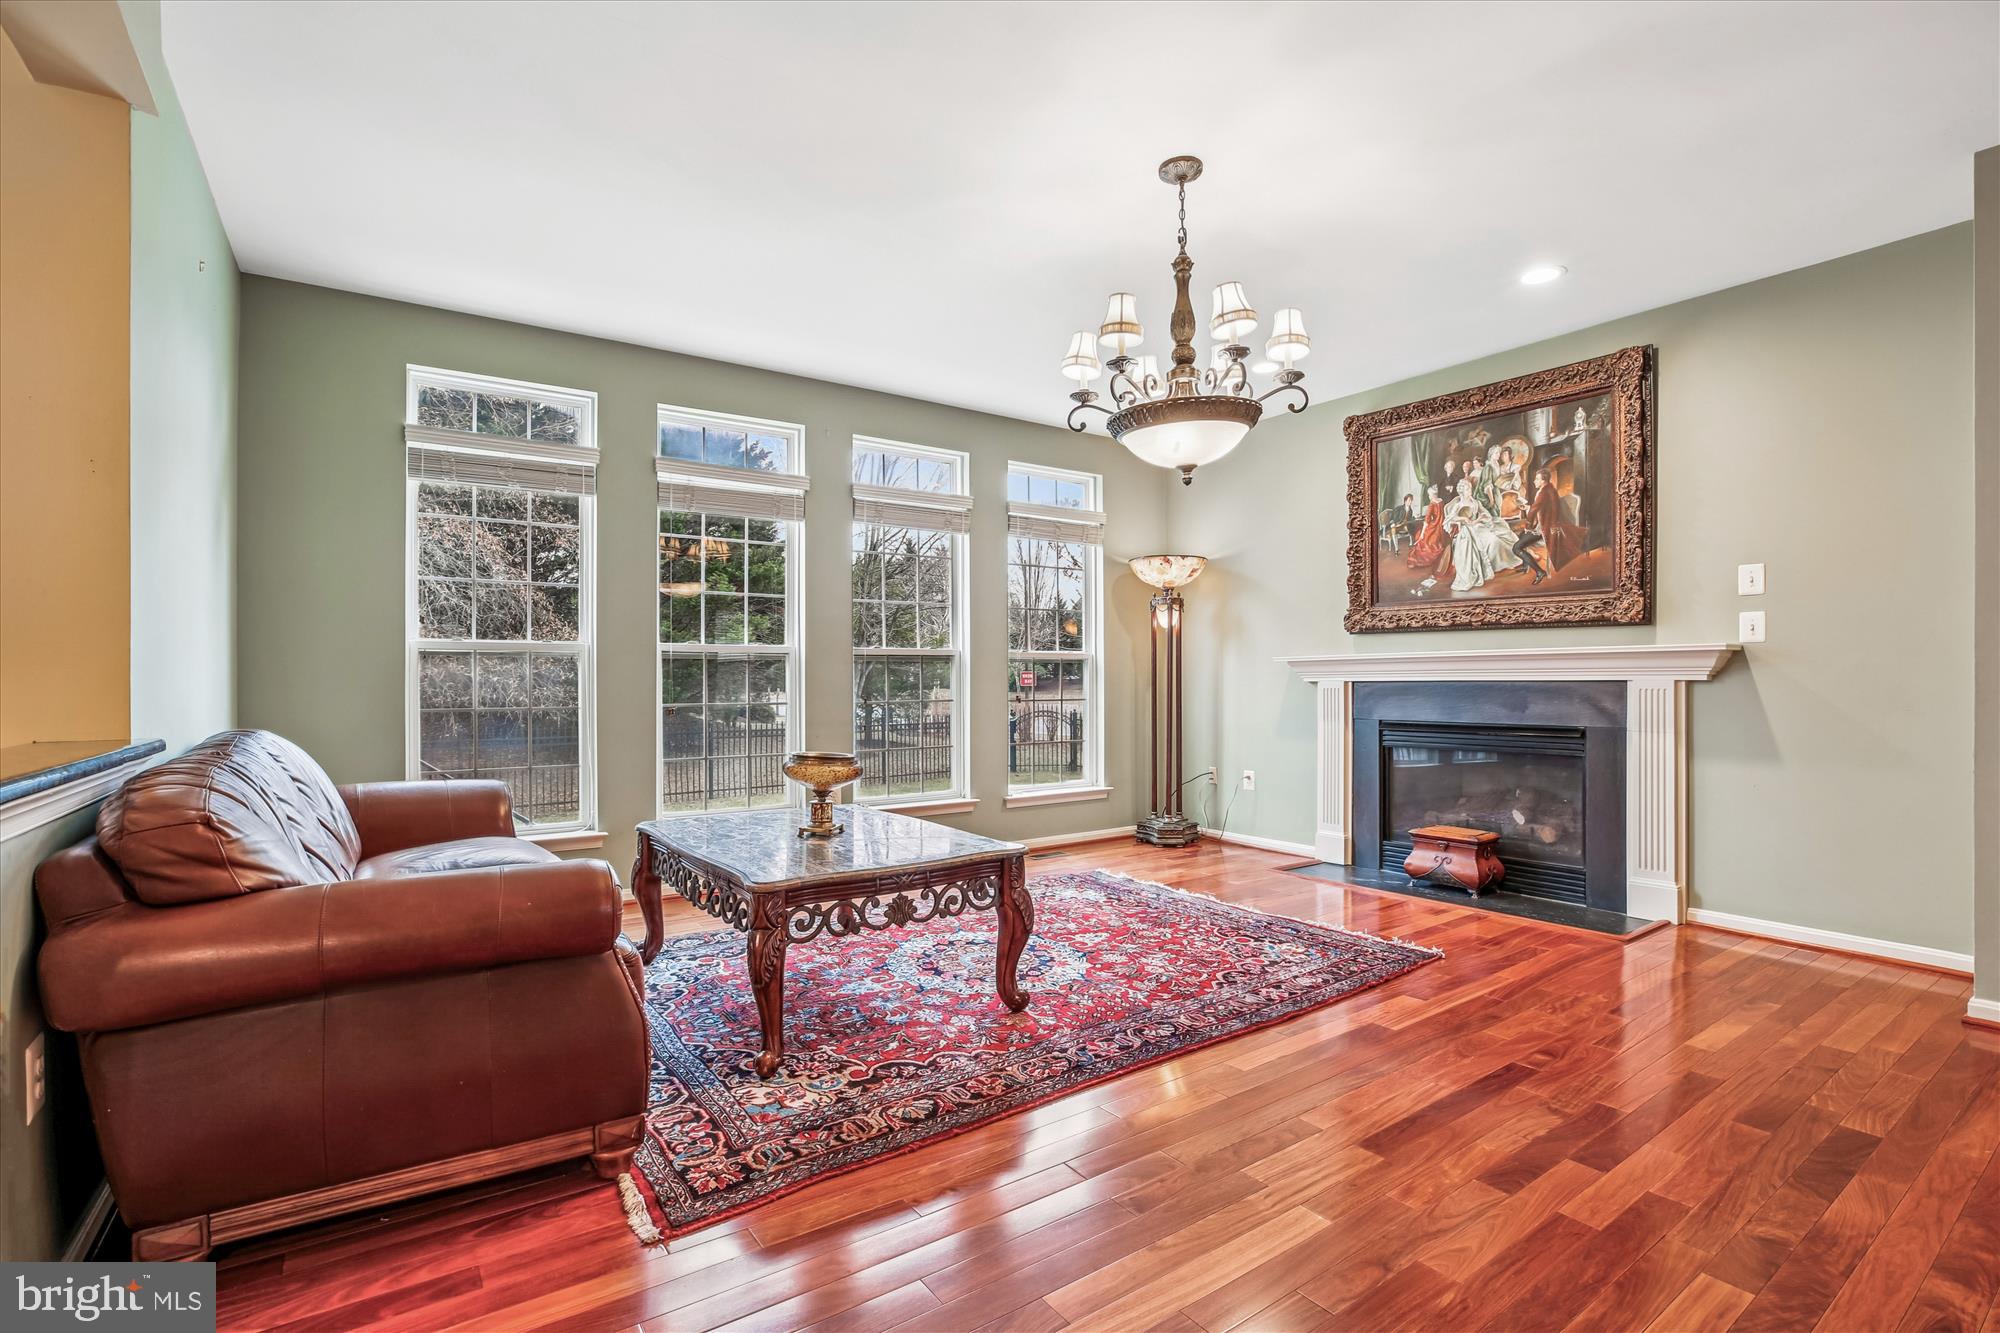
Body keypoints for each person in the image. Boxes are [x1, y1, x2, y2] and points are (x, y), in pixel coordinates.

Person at [1443, 478, 1520, 593]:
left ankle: (1499, 563)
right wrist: (1463, 518)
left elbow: (1485, 513)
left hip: (1479, 527)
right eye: (1468, 488)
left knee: (1494, 540)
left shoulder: (1475, 502)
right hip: (1467, 530)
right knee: (1481, 544)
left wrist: (1483, 516)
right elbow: (1449, 518)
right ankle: (1485, 569)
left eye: (1470, 488)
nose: (1470, 490)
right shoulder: (1458, 505)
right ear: (1462, 491)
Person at [1525, 467, 1587, 573]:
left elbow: (1533, 511)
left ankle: (1537, 570)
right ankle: (1528, 563)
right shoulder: (1550, 489)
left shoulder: (1544, 493)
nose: (1534, 481)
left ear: (1543, 481)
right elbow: (1541, 508)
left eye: (1537, 479)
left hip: (1547, 527)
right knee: (1523, 538)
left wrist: (1528, 525)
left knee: (1520, 541)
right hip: (1550, 524)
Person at [1407, 484, 1448, 572]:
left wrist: (1422, 535)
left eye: (1429, 495)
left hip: (1434, 526)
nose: (1429, 496)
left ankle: (1424, 559)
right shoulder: (1441, 501)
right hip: (1441, 526)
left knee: (1420, 536)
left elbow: (1426, 521)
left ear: (1432, 495)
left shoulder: (1432, 505)